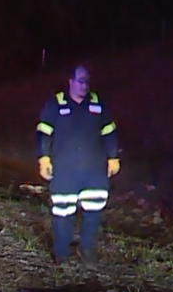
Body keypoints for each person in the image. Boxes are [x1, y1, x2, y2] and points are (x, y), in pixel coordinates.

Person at [35, 63, 121, 265]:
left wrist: (113, 157)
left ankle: (87, 250)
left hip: (93, 170)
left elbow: (109, 132)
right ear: (71, 82)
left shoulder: (98, 103)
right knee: (63, 212)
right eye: (80, 81)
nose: (84, 86)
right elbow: (43, 133)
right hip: (65, 169)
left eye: (87, 82)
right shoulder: (56, 104)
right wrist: (44, 158)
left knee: (93, 211)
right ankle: (61, 253)